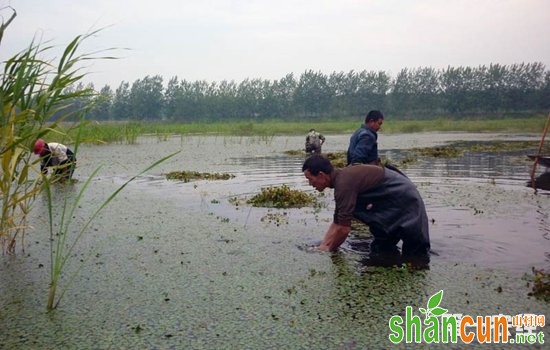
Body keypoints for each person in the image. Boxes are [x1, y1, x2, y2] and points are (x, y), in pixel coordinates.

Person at [302, 154, 430, 263]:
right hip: (390, 207)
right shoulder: (342, 181)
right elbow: (337, 222)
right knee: (381, 250)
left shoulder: (344, 183)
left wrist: (330, 250)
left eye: (310, 179)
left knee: (416, 256)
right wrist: (323, 245)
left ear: (321, 175)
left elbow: (344, 229)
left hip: (407, 200)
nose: (310, 184)